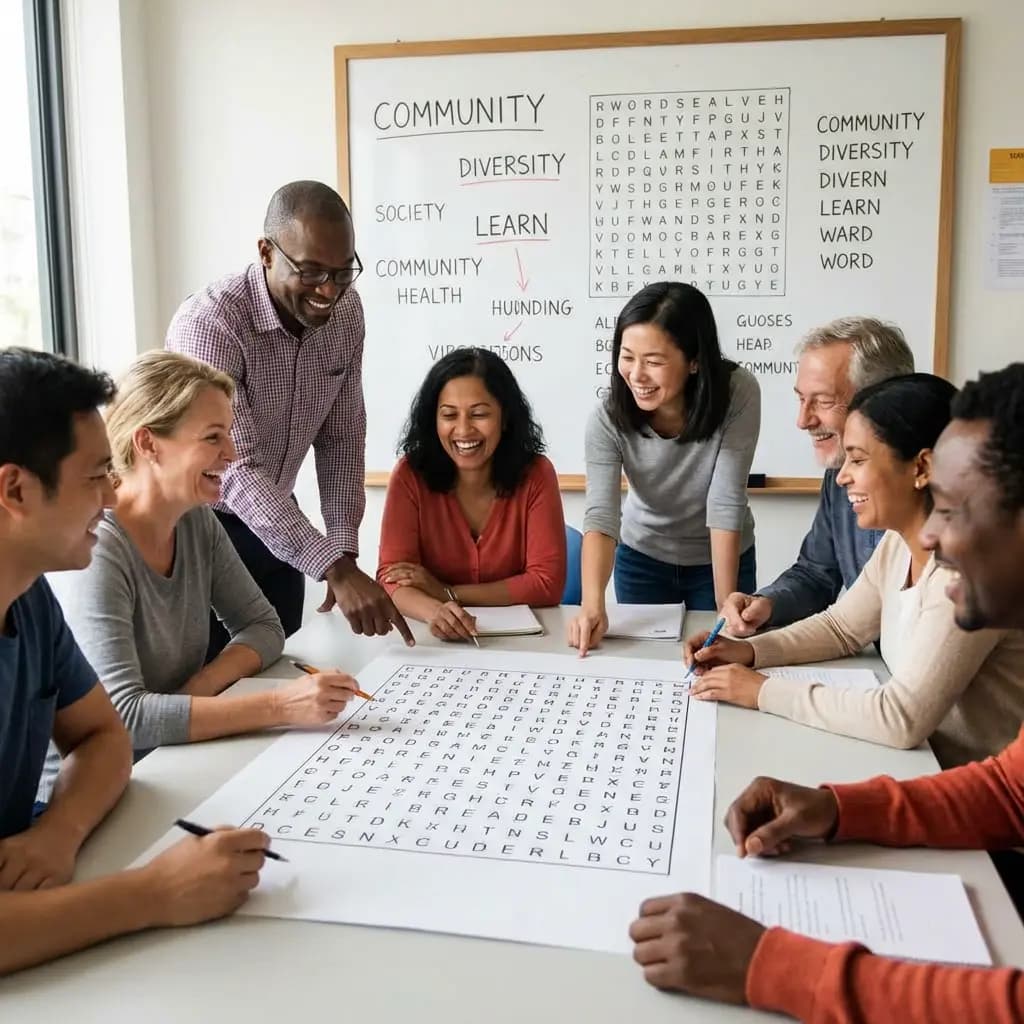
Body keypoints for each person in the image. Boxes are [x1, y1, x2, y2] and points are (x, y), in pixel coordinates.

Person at [629, 363, 1024, 1022]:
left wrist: (777, 967)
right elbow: (1011, 793)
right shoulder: (901, 550)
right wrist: (837, 809)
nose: (930, 535)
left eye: (953, 512)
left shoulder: (952, 586)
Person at [0, 348, 268, 976]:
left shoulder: (30, 596)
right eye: (96, 477)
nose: (111, 494)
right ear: (14, 489)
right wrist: (154, 893)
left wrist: (57, 834)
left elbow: (102, 735)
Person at [683, 372, 1024, 769]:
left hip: (976, 799)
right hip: (917, 768)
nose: (842, 476)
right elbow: (841, 628)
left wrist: (761, 691)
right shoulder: (899, 541)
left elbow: (901, 718)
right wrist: (749, 651)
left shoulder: (968, 569)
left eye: (858, 460)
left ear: (922, 467)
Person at [49, 352, 359, 756]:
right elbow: (122, 718)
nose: (232, 453)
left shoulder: (196, 521)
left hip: (173, 756)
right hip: (97, 786)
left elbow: (265, 627)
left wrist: (198, 690)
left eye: (229, 434)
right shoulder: (97, 549)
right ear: (148, 444)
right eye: (213, 437)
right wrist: (280, 705)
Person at [165, 179, 413, 653]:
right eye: (312, 271)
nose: (328, 290)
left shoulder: (345, 313)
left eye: (343, 273)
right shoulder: (211, 324)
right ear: (265, 252)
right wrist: (333, 568)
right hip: (198, 532)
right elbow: (233, 467)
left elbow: (342, 437)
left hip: (278, 525)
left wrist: (342, 548)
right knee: (212, 688)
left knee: (279, 672)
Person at [567, 282, 761, 655]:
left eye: (653, 361)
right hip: (643, 559)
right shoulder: (607, 418)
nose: (637, 374)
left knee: (718, 657)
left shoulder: (737, 392)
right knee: (646, 665)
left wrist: (725, 608)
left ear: (694, 361)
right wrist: (593, 605)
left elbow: (725, 499)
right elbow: (602, 515)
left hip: (717, 560)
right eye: (627, 357)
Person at [720, 317, 914, 636]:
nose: (803, 420)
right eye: (801, 399)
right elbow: (815, 575)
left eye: (823, 401)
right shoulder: (838, 475)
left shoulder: (948, 497)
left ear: (885, 400)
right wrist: (766, 603)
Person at [377, 347, 565, 642]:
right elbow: (391, 578)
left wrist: (447, 593)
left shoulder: (537, 474)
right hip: (434, 642)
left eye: (479, 414)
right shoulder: (409, 475)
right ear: (433, 420)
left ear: (504, 418)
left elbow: (546, 584)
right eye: (449, 415)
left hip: (525, 643)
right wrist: (433, 611)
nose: (463, 430)